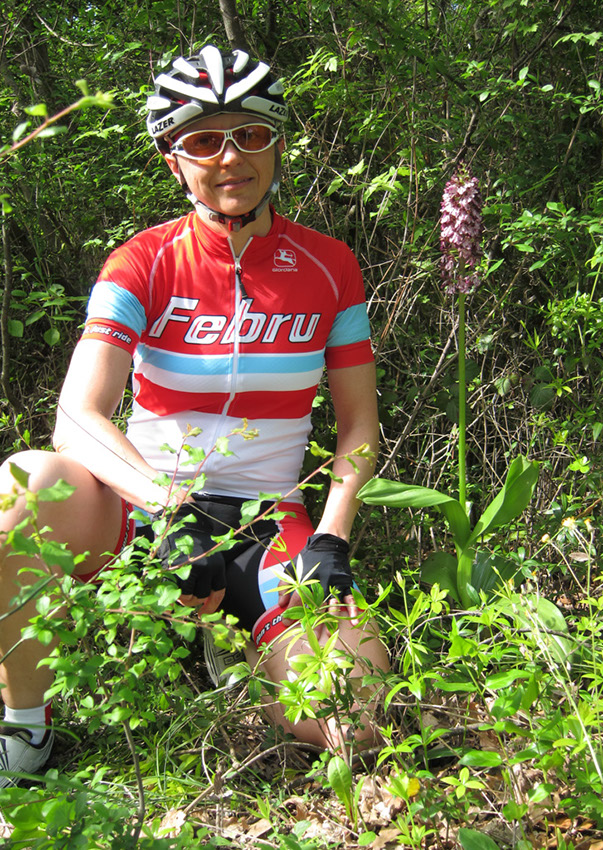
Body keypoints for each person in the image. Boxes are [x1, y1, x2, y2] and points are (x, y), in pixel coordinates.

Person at [0, 44, 389, 786]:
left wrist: (332, 536)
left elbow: (359, 426)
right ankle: (27, 729)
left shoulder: (329, 266)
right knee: (23, 485)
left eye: (250, 134)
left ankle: (231, 640)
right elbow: (77, 416)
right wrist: (170, 510)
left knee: (356, 716)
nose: (230, 156)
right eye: (203, 140)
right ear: (172, 160)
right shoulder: (141, 261)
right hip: (143, 509)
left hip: (267, 522)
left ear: (277, 144)